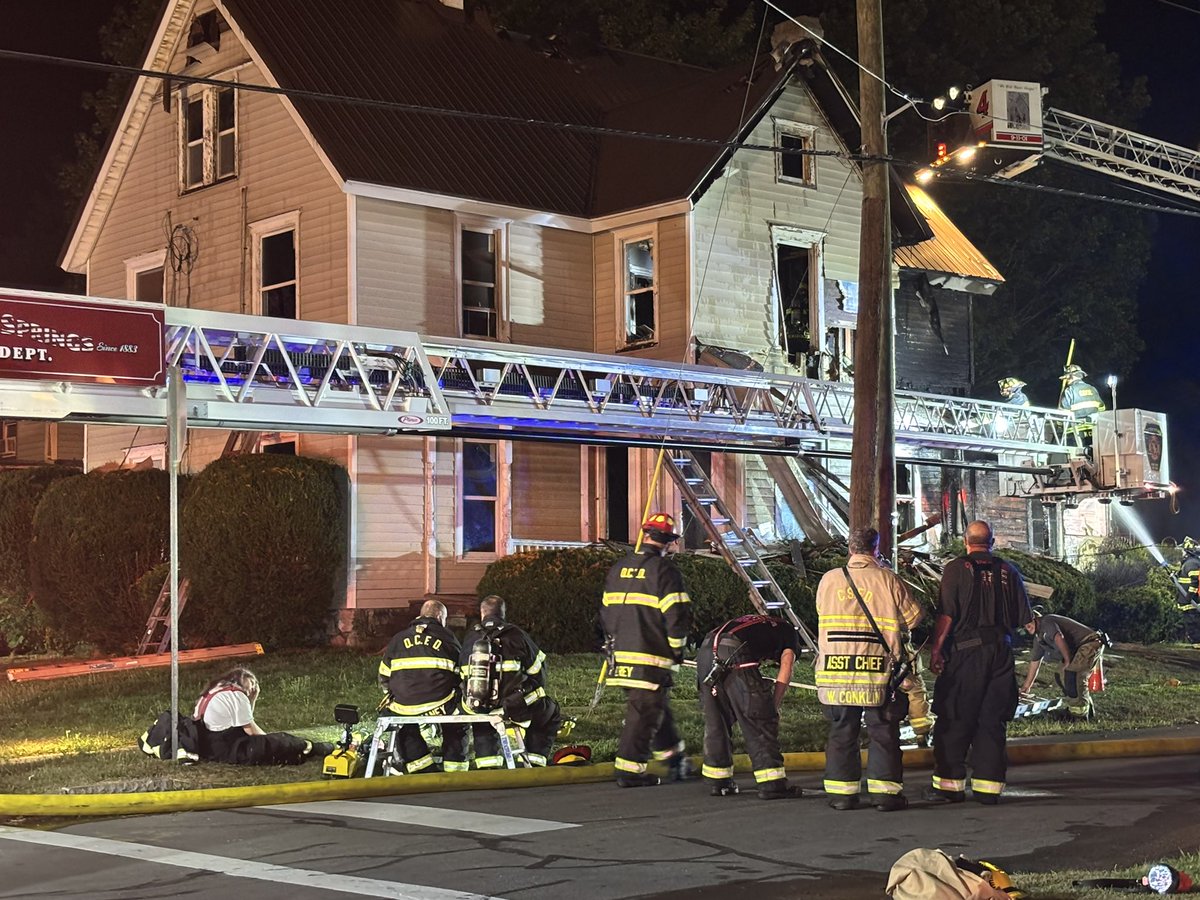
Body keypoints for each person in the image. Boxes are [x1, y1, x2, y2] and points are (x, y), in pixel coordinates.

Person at [815, 527, 924, 812]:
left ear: (850, 549)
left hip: (835, 672)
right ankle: (885, 795)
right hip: (877, 671)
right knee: (883, 731)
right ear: (875, 549)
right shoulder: (887, 579)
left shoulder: (828, 580)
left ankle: (842, 795)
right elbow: (914, 618)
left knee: (841, 731)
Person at [927, 520, 1032, 805]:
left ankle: (950, 786)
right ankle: (988, 788)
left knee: (956, 716)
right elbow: (1026, 620)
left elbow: (946, 614)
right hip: (1001, 655)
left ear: (966, 541)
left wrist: (936, 650)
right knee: (992, 719)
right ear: (992, 542)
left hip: (965, 654)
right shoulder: (1009, 571)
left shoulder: (956, 569)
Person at [601, 511, 693, 787]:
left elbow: (605, 614)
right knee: (644, 713)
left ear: (646, 535)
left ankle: (676, 761)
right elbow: (677, 616)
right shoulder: (664, 571)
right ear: (668, 542)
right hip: (650, 658)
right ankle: (629, 770)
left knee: (654, 707)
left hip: (620, 656)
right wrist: (677, 650)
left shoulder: (619, 568)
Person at [697, 613, 802, 800]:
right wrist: (773, 705)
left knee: (717, 719)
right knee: (759, 717)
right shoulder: (789, 634)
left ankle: (719, 782)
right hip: (734, 651)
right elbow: (786, 667)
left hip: (706, 650)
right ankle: (772, 784)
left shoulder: (757, 624)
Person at [459, 594, 562, 767]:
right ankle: (535, 762)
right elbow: (537, 672)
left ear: (482, 614)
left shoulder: (470, 638)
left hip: (478, 707)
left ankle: (488, 765)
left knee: (482, 721)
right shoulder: (516, 635)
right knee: (549, 712)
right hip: (512, 707)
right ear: (503, 613)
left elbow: (461, 674)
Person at [378, 599, 469, 774]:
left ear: (420, 615)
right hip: (440, 703)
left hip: (403, 705)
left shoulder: (398, 639)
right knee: (457, 724)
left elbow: (384, 675)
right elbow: (461, 671)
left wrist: (395, 695)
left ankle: (421, 768)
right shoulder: (447, 637)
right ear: (440, 616)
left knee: (404, 727)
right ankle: (455, 768)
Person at [194, 667, 332, 765]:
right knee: (281, 740)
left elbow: (244, 720)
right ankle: (313, 748)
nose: (253, 688)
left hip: (210, 748)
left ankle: (300, 752)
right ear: (239, 680)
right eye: (252, 683)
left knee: (277, 745)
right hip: (228, 749)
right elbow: (252, 731)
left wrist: (252, 699)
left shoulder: (215, 691)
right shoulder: (235, 694)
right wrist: (272, 740)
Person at [1021, 609, 1107, 717]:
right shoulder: (1039, 638)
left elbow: (1058, 637)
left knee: (1073, 675)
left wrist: (1067, 660)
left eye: (1029, 622)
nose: (1026, 626)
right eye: (1024, 624)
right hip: (1077, 649)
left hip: (1089, 643)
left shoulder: (1046, 621)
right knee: (1060, 675)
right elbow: (1035, 662)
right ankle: (1082, 709)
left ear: (1036, 618)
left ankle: (1079, 715)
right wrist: (1026, 686)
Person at [1059, 364, 1106, 453]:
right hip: (1094, 431)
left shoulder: (1069, 391)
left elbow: (1063, 414)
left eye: (1067, 378)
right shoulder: (1092, 389)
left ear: (1070, 377)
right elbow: (1102, 408)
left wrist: (1058, 424)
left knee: (1076, 461)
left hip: (1075, 433)